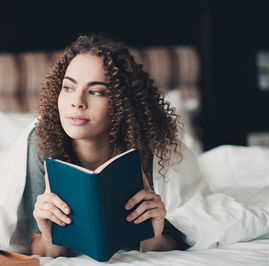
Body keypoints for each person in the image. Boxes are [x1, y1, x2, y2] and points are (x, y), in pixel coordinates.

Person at [22, 33, 188, 257]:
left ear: (122, 103)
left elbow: (184, 238)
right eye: (68, 88)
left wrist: (153, 236)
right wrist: (49, 235)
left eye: (96, 91)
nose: (77, 102)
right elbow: (41, 249)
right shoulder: (42, 142)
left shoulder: (149, 149)